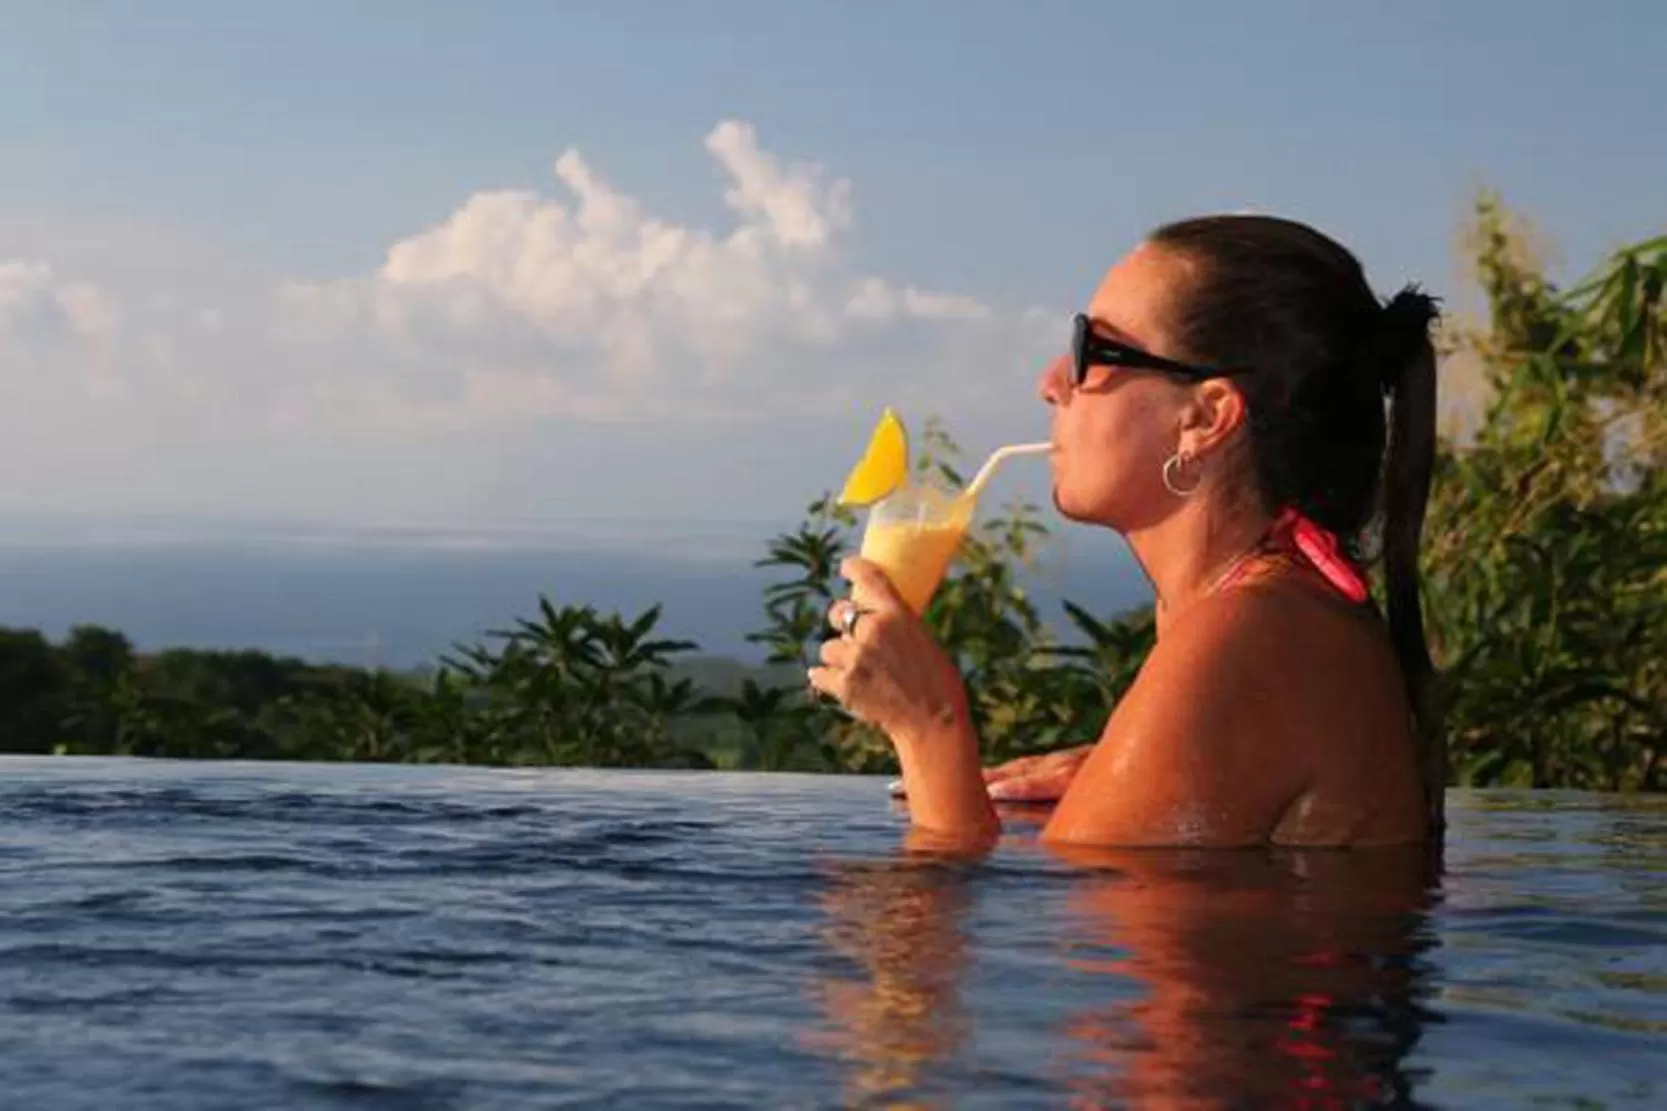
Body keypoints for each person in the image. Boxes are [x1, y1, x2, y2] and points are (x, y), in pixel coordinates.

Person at [807, 214, 1444, 848]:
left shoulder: (1251, 635)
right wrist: (1131, 768)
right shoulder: (1278, 611)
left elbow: (1034, 915)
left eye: (1093, 350)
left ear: (1205, 418)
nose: (1051, 383)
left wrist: (929, 726)